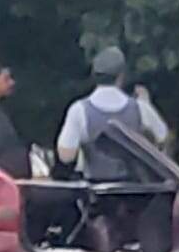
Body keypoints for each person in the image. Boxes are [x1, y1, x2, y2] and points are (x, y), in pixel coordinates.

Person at [55, 46, 170, 181]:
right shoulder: (140, 107)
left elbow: (66, 156)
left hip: (96, 192)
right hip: (134, 192)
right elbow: (163, 138)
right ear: (121, 76)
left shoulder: (78, 110)